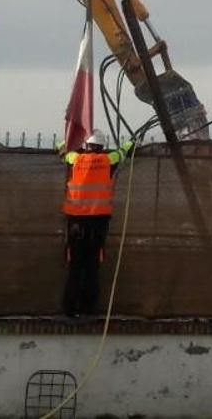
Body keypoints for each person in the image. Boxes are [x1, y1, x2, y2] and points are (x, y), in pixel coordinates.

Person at [60, 132, 134, 317]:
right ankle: (87, 309)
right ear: (101, 146)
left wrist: (66, 138)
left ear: (86, 146)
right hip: (98, 224)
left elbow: (62, 149)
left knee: (75, 266)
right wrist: (131, 142)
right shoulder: (109, 160)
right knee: (92, 267)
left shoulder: (74, 159)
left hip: (75, 223)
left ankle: (70, 309)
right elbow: (123, 151)